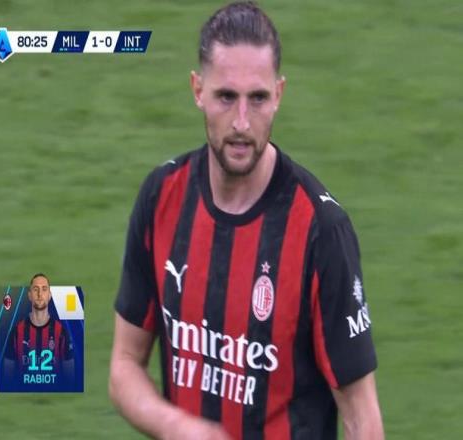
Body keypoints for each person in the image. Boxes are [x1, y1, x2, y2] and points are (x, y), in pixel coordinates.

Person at [110, 2, 384, 439]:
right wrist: (180, 428)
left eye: (257, 98)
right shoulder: (161, 197)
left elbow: (361, 417)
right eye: (226, 97)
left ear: (279, 95)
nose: (241, 122)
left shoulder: (320, 231)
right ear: (197, 90)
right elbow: (124, 364)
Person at [4, 273, 73, 382]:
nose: (40, 294)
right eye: (36, 289)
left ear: (49, 295)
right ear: (29, 295)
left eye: (44, 289)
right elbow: (7, 378)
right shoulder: (16, 332)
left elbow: (70, 379)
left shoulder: (61, 332)